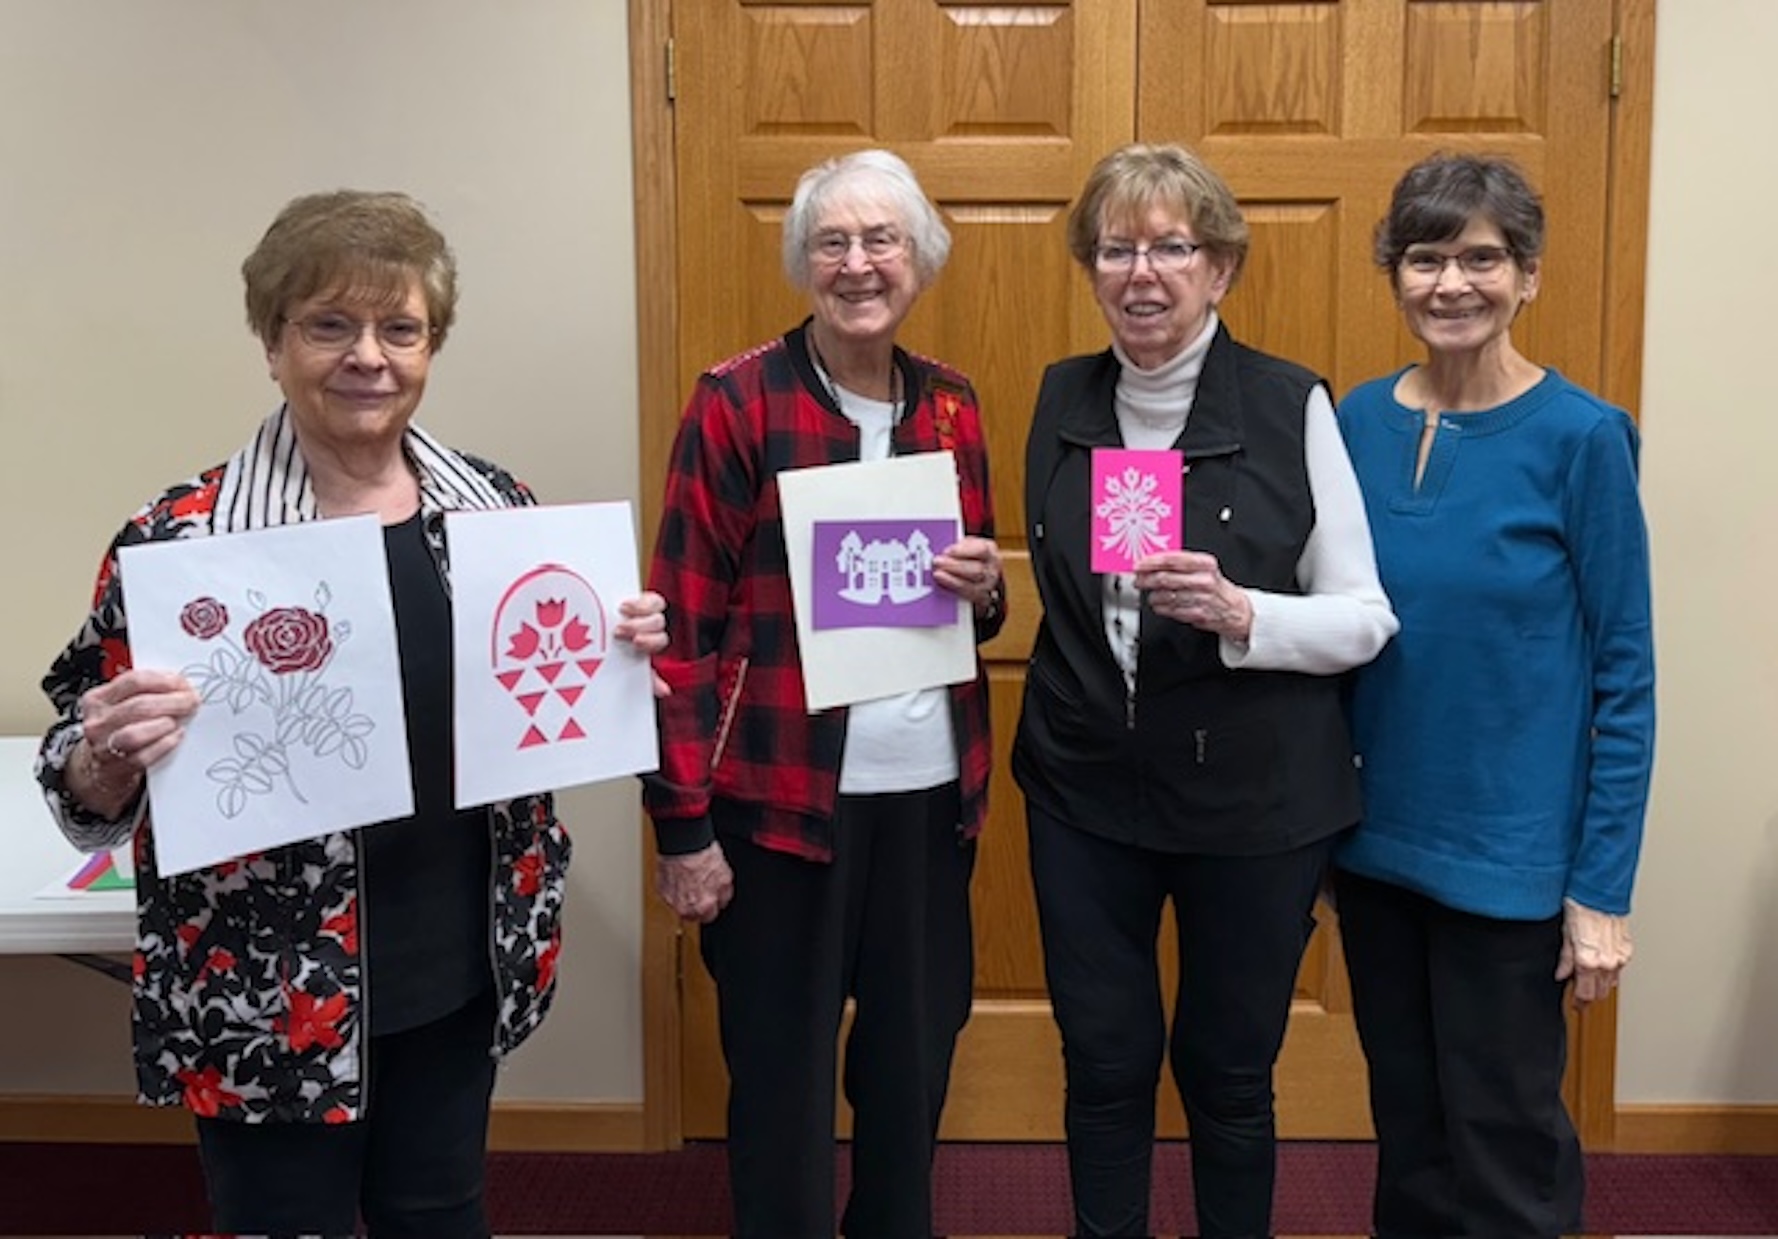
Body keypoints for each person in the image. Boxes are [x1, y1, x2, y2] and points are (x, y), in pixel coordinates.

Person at [34, 189, 669, 1239]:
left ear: (430, 347)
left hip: (459, 967)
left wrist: (613, 652)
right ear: (273, 343)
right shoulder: (181, 540)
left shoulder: (496, 512)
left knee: (441, 1216)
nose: (368, 356)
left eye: (400, 329)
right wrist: (104, 759)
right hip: (266, 993)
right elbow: (77, 775)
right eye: (330, 324)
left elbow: (536, 699)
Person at [1014, 142, 1400, 1239]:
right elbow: (1066, 593)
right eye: (1116, 249)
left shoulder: (1288, 403)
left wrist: (1244, 614)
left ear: (1220, 268)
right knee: (1103, 1061)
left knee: (1227, 1071)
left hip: (1252, 802)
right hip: (1085, 793)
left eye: (1172, 248)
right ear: (1091, 268)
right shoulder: (1063, 394)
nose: (1141, 273)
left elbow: (1365, 616)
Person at [643, 148, 1004, 1238]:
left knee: (911, 1070)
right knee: (781, 1086)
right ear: (804, 262)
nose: (857, 264)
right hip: (779, 809)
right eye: (832, 242)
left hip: (929, 802)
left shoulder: (953, 406)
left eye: (880, 240)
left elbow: (974, 607)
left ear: (918, 260)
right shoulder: (737, 402)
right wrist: (681, 827)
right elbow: (679, 629)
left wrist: (985, 589)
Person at [1333, 153, 1654, 1237]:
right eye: (1425, 259)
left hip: (1510, 866)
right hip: (1374, 852)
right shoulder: (1356, 422)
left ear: (1528, 276)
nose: (1451, 284)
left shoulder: (1583, 438)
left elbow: (1625, 676)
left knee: (1506, 1149)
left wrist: (1601, 888)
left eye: (1480, 258)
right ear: (1395, 274)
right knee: (1410, 1141)